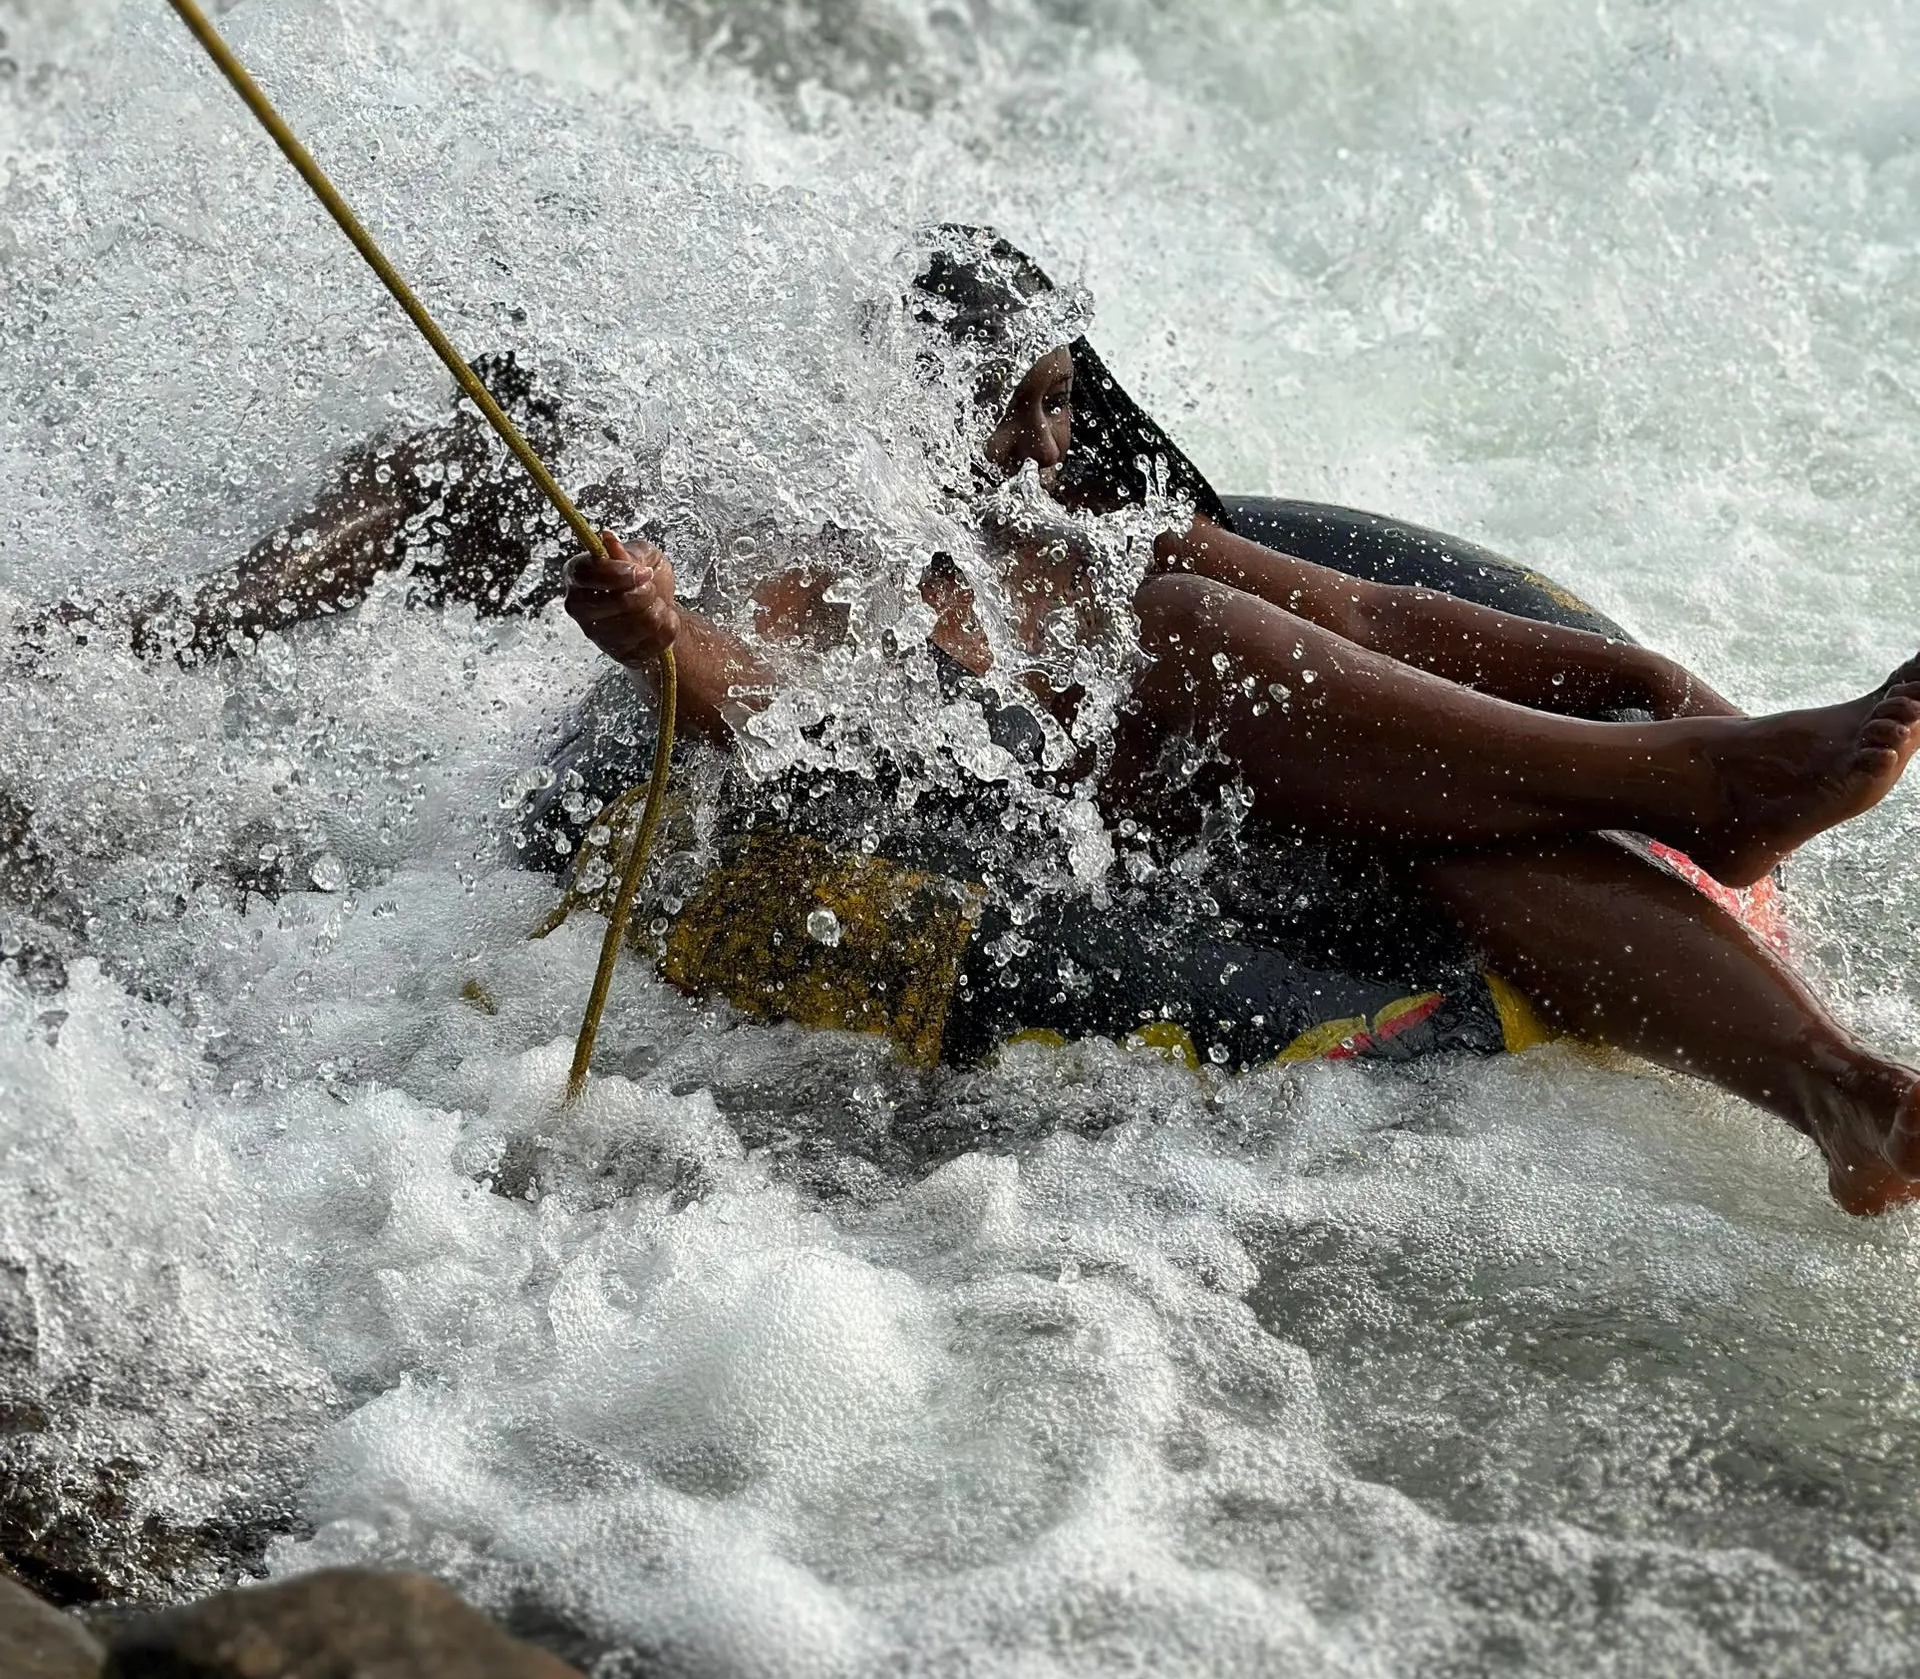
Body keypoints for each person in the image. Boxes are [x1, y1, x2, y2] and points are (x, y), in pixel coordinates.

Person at [16, 230, 1920, 1212]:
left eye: (1049, 399)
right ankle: (1712, 798)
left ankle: (1837, 1092)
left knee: (1457, 830)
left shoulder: (1116, 532)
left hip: (1261, 816)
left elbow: (1387, 618)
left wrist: (1640, 687)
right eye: (989, 400)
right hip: (982, 837)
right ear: (903, 393)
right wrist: (658, 644)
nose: (1026, 439)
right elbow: (753, 707)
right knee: (1198, 641)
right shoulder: (834, 545)